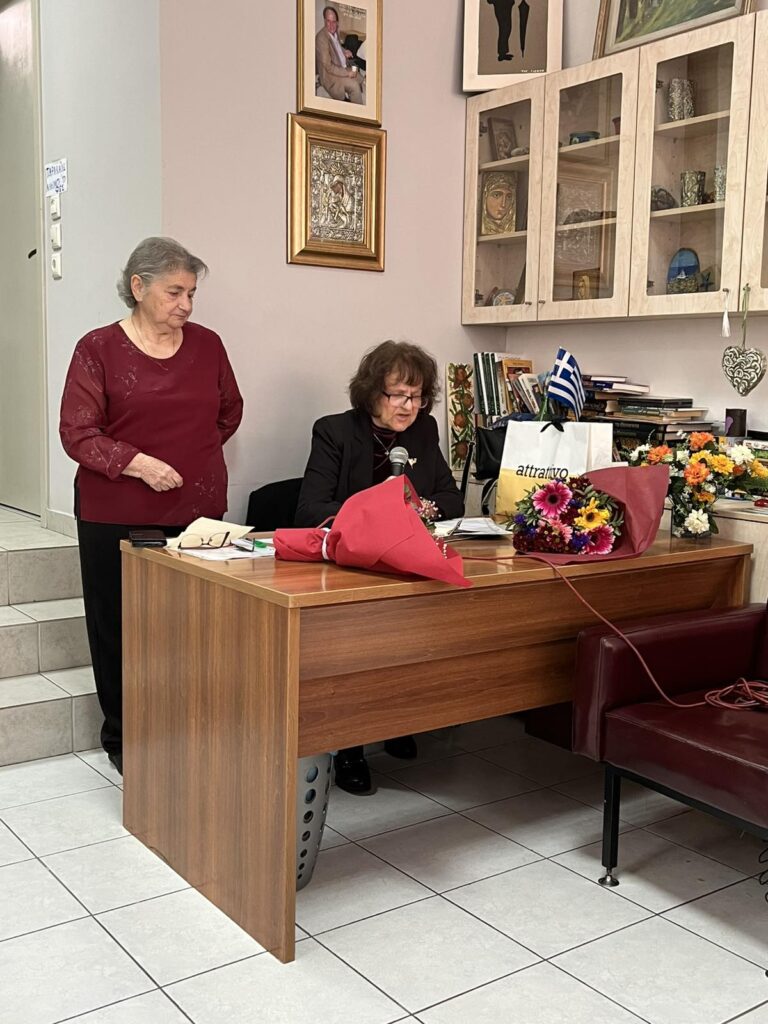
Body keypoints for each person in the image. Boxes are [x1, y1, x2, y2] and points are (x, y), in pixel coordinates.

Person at [59, 237, 243, 776]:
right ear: (138, 287)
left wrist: (193, 458)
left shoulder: (208, 345)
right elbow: (77, 432)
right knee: (119, 628)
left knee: (190, 627)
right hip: (114, 511)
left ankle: (181, 728)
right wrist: (140, 464)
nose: (186, 304)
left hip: (198, 509)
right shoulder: (97, 348)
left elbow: (229, 411)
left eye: (192, 293)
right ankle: (124, 736)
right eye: (174, 292)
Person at [296, 341, 464, 794]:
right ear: (372, 393)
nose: (408, 406)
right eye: (398, 395)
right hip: (352, 568)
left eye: (417, 396)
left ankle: (397, 722)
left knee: (420, 633)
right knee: (360, 645)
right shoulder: (334, 431)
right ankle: (350, 748)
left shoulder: (424, 431)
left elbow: (451, 499)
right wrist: (375, 516)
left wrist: (421, 509)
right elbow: (310, 508)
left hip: (407, 563)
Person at [315, 5, 364, 104]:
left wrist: (344, 51)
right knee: (354, 86)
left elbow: (336, 45)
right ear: (324, 20)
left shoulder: (335, 30)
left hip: (341, 66)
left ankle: (351, 96)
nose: (331, 25)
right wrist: (346, 73)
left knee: (359, 77)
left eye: (334, 21)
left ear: (337, 22)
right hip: (330, 75)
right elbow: (329, 67)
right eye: (328, 21)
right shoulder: (321, 38)